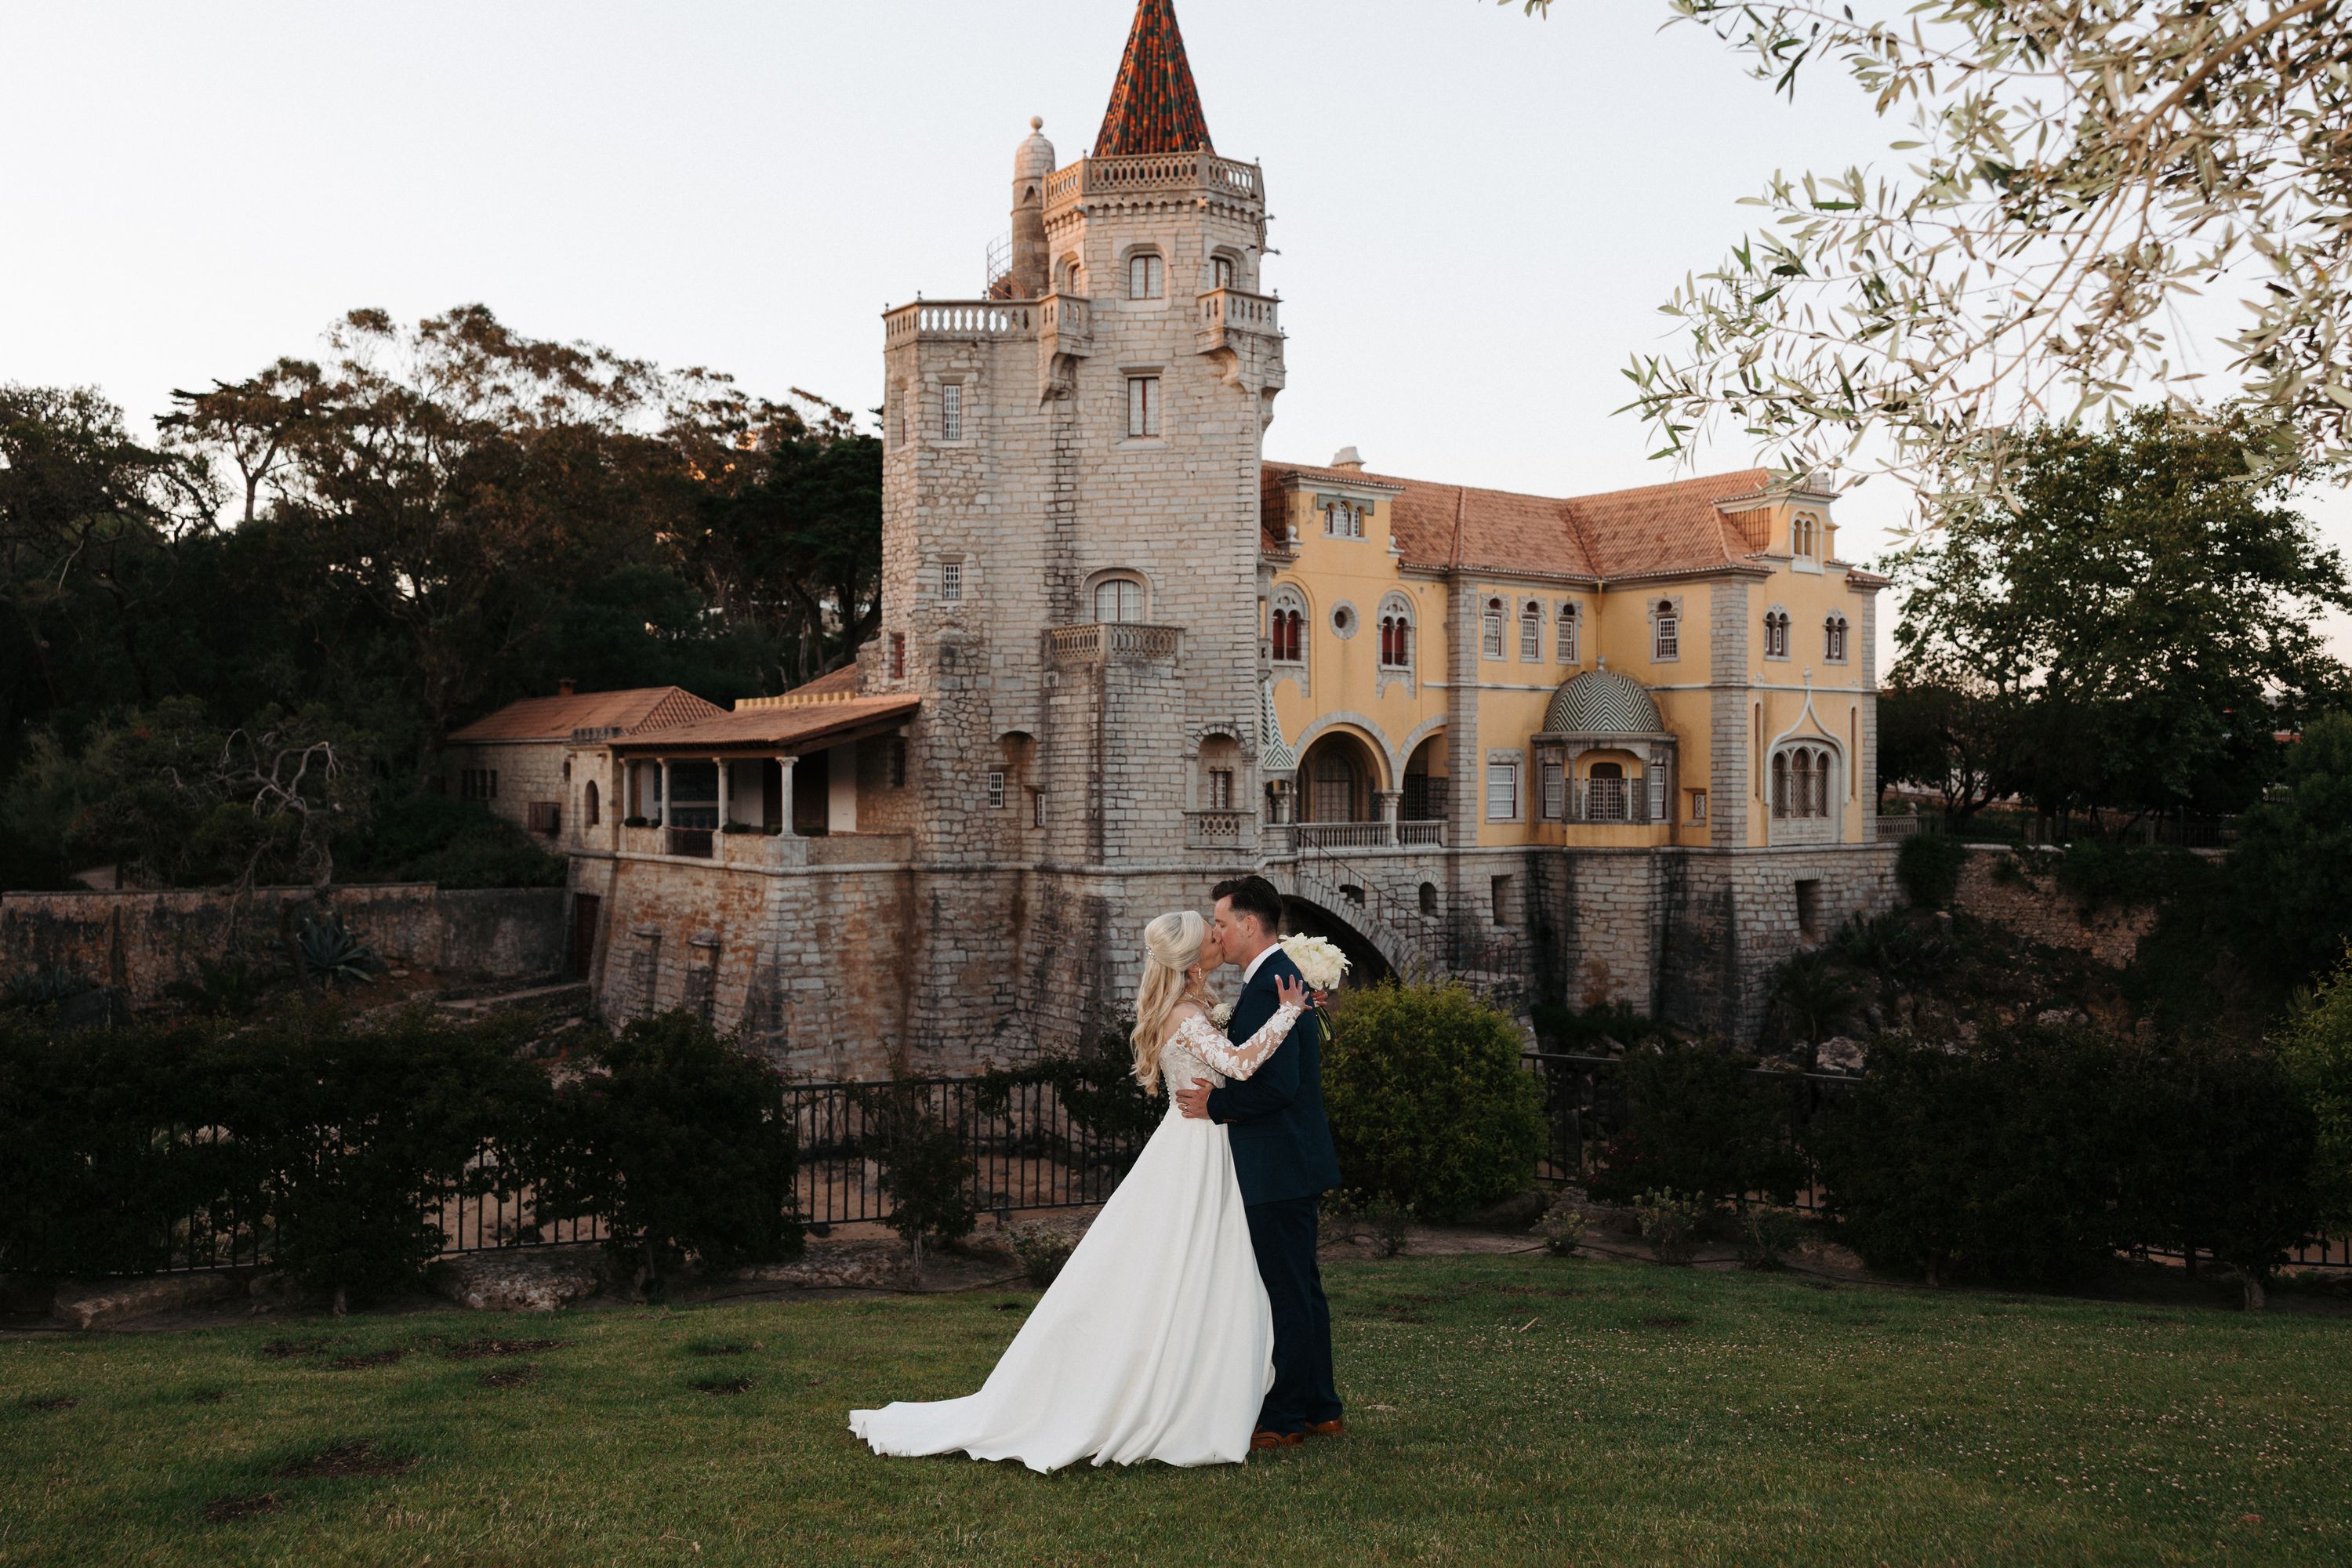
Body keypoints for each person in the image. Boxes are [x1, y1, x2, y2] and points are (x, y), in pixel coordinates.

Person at [848, 909, 1311, 1470]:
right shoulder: (1185, 1015)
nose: (1218, 937)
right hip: (1196, 1150)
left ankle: (1205, 1381)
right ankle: (1177, 1392)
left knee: (1197, 1269)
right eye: (1208, 934)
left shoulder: (1191, 1009)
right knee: (1183, 1267)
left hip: (1202, 1145)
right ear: (1192, 962)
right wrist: (1287, 1015)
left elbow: (1223, 1044)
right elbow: (1238, 1066)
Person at [1174, 874, 1345, 1449]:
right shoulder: (1279, 979)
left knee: (1286, 1293)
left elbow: (1278, 1087)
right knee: (1303, 1289)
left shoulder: (1268, 986)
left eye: (1221, 922)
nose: (1216, 932)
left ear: (1250, 923)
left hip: (1276, 1164)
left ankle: (1285, 1418)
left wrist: (1214, 1103)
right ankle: (1322, 1407)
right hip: (1291, 1160)